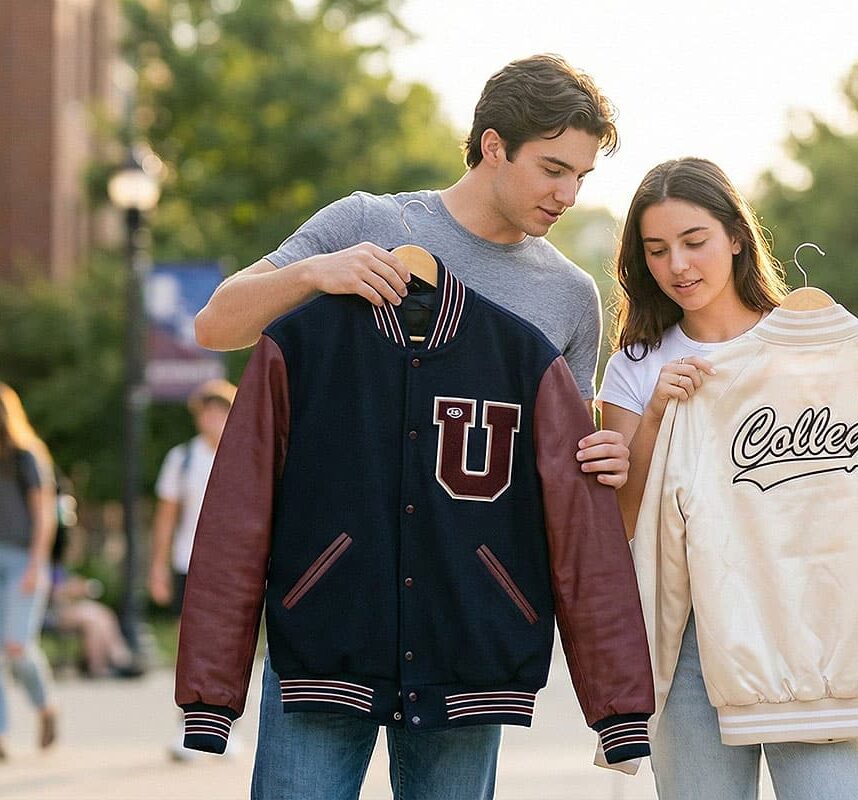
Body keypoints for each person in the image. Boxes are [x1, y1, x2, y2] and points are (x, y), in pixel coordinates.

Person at [187, 55, 642, 800]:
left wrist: (608, 459)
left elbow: (567, 475)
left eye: (582, 178)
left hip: (468, 637)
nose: (568, 194)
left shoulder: (567, 295)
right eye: (554, 169)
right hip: (329, 620)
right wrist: (312, 275)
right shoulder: (367, 221)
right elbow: (215, 325)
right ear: (494, 145)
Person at [596, 158, 858, 799]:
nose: (679, 267)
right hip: (688, 638)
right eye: (657, 250)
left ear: (736, 236)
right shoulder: (638, 369)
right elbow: (621, 527)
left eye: (695, 242)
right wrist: (659, 414)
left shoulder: (820, 348)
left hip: (816, 634)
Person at [148, 377, 236, 760]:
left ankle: (227, 728)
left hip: (236, 567)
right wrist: (157, 567)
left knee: (233, 648)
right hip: (190, 562)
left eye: (222, 410)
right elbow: (166, 517)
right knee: (192, 647)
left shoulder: (245, 455)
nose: (214, 418)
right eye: (208, 411)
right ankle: (188, 726)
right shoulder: (181, 459)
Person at [0, 383, 59, 758]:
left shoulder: (26, 455)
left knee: (17, 645)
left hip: (24, 559)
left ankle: (45, 704)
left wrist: (38, 565)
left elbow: (44, 515)